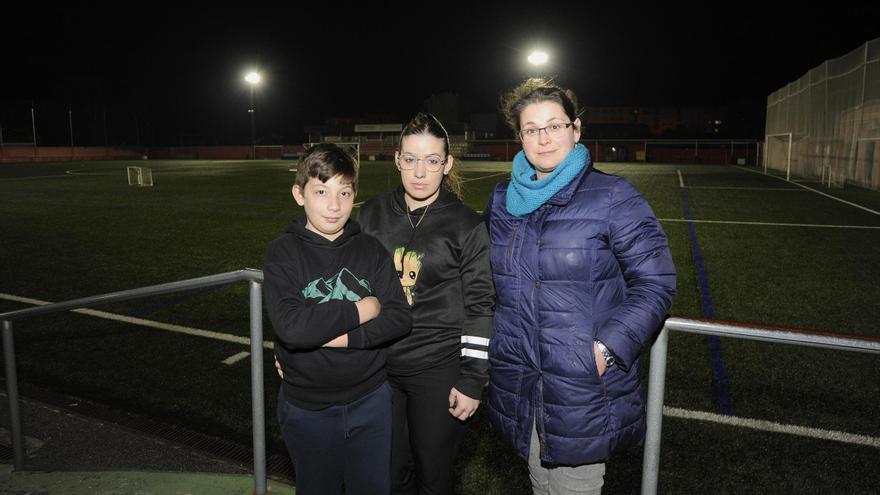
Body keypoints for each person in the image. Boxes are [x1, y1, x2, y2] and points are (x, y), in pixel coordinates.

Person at [484, 78, 676, 494]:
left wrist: (606, 349)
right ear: (520, 138)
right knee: (539, 483)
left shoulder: (613, 196)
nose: (543, 137)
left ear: (576, 129)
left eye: (554, 125)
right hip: (520, 383)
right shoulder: (502, 201)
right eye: (531, 129)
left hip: (581, 388)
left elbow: (656, 283)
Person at [357, 112, 495, 494]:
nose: (420, 172)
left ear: (446, 164)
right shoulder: (371, 214)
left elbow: (482, 305)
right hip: (378, 367)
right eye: (411, 159)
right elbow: (348, 285)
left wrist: (472, 379)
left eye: (432, 160)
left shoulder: (466, 224)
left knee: (434, 477)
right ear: (397, 159)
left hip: (438, 369)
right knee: (386, 473)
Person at [264, 143, 412, 495]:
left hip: (371, 402)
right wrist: (364, 310)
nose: (334, 205)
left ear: (354, 195)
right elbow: (293, 327)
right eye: (321, 191)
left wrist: (339, 337)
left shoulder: (370, 250)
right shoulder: (283, 252)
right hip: (307, 409)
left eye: (344, 193)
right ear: (299, 195)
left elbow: (399, 318)